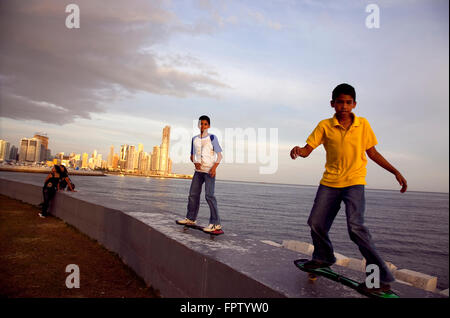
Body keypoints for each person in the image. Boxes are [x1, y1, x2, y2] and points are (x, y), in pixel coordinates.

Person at [290, 83, 407, 293]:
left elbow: (372, 153)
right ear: (332, 104)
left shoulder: (363, 125)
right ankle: (323, 257)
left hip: (354, 183)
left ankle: (378, 279)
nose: (344, 106)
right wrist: (299, 150)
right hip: (330, 183)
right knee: (315, 222)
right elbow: (309, 149)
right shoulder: (324, 126)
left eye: (348, 102)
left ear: (354, 104)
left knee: (356, 229)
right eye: (340, 102)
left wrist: (395, 171)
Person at [177, 115, 223, 233]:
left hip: (209, 171)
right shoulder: (194, 139)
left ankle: (216, 224)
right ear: (198, 125)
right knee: (193, 195)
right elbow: (192, 156)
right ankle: (191, 219)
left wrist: (214, 168)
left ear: (209, 126)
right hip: (198, 172)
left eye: (205, 124)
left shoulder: (212, 137)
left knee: (209, 196)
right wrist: (195, 162)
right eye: (201, 124)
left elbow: (219, 156)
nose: (202, 126)